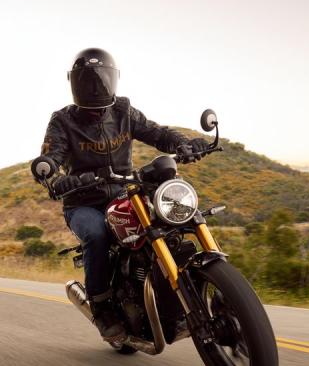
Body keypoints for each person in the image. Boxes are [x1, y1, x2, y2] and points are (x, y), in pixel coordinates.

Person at [37, 48, 209, 340]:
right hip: (82, 201)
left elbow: (157, 133)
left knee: (169, 217)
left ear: (113, 79)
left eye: (101, 79)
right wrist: (51, 173)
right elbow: (52, 154)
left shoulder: (123, 111)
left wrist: (182, 143)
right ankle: (102, 306)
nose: (96, 87)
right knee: (96, 235)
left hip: (124, 193)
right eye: (89, 81)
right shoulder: (63, 121)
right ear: (75, 84)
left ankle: (177, 297)